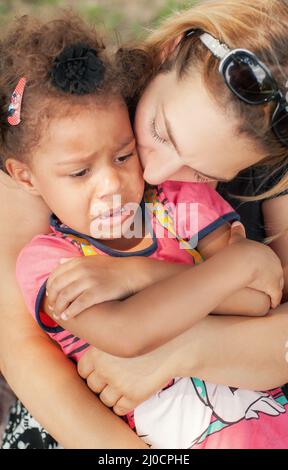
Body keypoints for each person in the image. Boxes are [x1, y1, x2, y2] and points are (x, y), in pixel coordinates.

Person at [1, 0, 288, 448]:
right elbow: (40, 343)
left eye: (207, 173)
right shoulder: (55, 121)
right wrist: (243, 261)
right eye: (158, 133)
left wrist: (141, 283)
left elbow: (265, 307)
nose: (150, 178)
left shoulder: (185, 202)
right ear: (170, 51)